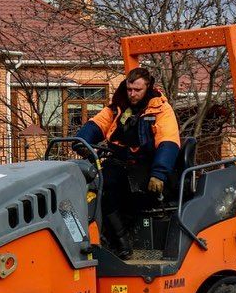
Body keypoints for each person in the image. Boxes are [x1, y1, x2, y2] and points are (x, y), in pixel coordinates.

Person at [74, 67, 181, 259]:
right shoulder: (119, 107)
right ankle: (101, 238)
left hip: (147, 166)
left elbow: (168, 142)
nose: (132, 94)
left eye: (137, 90)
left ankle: (122, 242)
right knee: (95, 184)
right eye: (129, 89)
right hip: (120, 163)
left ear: (148, 87)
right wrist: (81, 140)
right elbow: (97, 123)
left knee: (115, 188)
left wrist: (158, 173)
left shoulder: (161, 110)